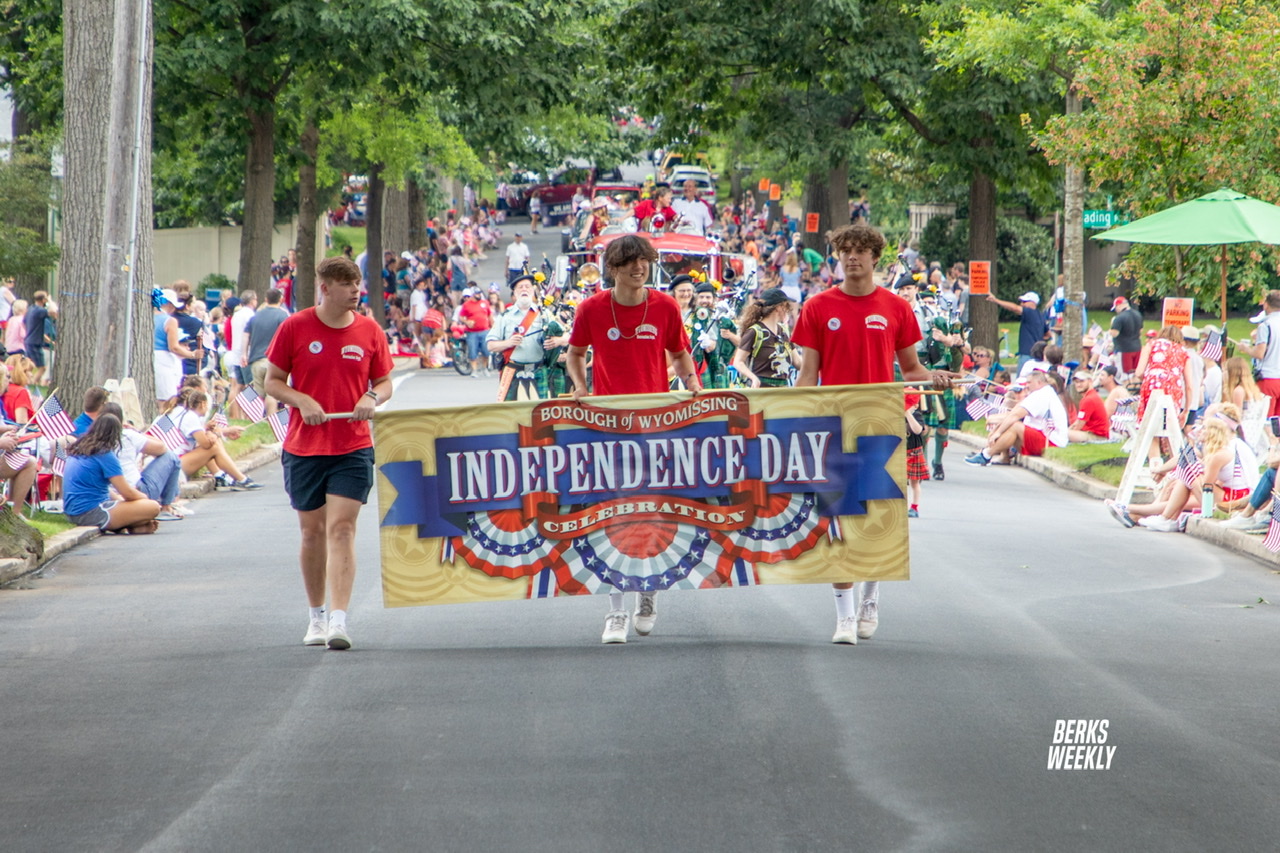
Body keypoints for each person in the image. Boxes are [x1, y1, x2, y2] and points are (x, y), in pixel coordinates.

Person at [791, 223, 955, 645]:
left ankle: (870, 597)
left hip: (881, 426)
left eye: (860, 250)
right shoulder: (817, 306)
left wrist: (934, 377)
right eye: (845, 250)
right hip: (833, 426)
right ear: (837, 256)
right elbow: (807, 376)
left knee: (877, 521)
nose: (852, 256)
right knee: (839, 521)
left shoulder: (896, 308)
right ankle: (844, 616)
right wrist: (793, 418)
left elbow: (911, 369)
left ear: (875, 257)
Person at [566, 234, 699, 645]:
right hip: (607, 429)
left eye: (644, 261)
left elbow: (679, 353)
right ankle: (615, 611)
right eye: (629, 262)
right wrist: (580, 387)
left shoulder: (665, 306)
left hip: (657, 427)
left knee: (652, 513)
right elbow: (575, 353)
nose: (638, 268)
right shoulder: (591, 308)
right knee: (611, 516)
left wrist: (692, 384)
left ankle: (648, 590)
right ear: (613, 268)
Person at [265, 256, 394, 651]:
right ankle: (316, 616)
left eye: (357, 283)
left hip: (352, 445)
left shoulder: (370, 330)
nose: (355, 290)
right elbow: (273, 381)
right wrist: (302, 400)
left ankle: (339, 620)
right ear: (324, 288)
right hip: (304, 446)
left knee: (342, 528)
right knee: (312, 532)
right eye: (346, 284)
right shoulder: (295, 327)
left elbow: (385, 382)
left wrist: (372, 397)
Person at [62, 414, 162, 534]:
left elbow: (106, 490)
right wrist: (144, 499)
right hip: (92, 512)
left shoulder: (78, 449)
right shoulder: (104, 454)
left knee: (136, 507)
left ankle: (131, 526)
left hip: (72, 512)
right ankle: (131, 524)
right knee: (153, 507)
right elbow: (127, 493)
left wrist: (122, 501)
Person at [100, 402, 184, 521]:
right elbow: (162, 448)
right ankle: (166, 506)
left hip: (107, 493)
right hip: (134, 490)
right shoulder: (127, 435)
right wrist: (137, 432)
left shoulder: (93, 439)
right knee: (171, 457)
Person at [965, 369, 1069, 465]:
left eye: (1029, 383)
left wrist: (998, 433)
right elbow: (1013, 412)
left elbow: (1015, 415)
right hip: (1042, 438)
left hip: (1052, 443)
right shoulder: (1040, 393)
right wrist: (996, 430)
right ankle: (1001, 456)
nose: (1027, 386)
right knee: (1008, 424)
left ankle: (986, 455)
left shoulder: (1042, 395)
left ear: (1039, 382)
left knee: (1014, 425)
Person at [487, 274, 549, 400]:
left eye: (527, 286)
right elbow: (490, 345)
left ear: (533, 291)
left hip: (538, 370)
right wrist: (508, 343)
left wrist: (557, 341)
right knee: (511, 411)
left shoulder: (544, 314)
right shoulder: (505, 316)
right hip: (512, 371)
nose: (524, 289)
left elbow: (564, 336)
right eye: (520, 287)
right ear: (515, 293)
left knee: (540, 411)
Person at [734, 288, 799, 387]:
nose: (787, 311)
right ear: (779, 307)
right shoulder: (755, 331)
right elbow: (738, 361)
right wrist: (753, 378)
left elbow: (797, 362)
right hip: (761, 390)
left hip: (782, 390)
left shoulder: (784, 332)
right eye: (786, 306)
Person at [245, 288, 290, 418]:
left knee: (257, 395)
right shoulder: (283, 316)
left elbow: (245, 335)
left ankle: (254, 420)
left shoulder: (255, 316)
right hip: (275, 362)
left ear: (266, 299)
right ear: (281, 300)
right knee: (272, 394)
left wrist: (244, 354)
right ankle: (271, 419)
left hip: (256, 360)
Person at [1236, 290, 1280, 416]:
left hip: (1268, 377)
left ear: (1266, 305)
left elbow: (1259, 353)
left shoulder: (1266, 325)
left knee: (1265, 417)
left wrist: (1246, 348)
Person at [1135, 325, 1192, 421]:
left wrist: (1150, 377)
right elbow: (1189, 386)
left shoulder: (1151, 345)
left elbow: (1139, 373)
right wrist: (1186, 410)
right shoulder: (1183, 352)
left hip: (1152, 386)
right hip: (1172, 389)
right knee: (1168, 423)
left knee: (1149, 422)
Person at [987, 290, 1048, 372]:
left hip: (1027, 354)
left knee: (1022, 377)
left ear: (1033, 303)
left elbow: (1014, 308)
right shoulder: (1040, 316)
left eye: (1024, 302)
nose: (1022, 304)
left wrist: (995, 300)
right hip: (1038, 355)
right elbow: (1048, 334)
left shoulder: (1029, 312)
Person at [458, 287, 493, 376]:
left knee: (486, 351)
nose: (479, 295)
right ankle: (474, 370)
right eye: (477, 294)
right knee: (472, 352)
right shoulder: (466, 305)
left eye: (479, 293)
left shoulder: (485, 303)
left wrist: (492, 326)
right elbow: (461, 317)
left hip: (484, 330)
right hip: (472, 332)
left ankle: (484, 368)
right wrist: (467, 322)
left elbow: (489, 315)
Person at [1067, 371, 1110, 442]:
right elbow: (1078, 421)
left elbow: (1079, 425)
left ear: (1090, 381)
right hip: (1094, 434)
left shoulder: (1089, 399)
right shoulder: (1091, 396)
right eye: (1076, 382)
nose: (1078, 384)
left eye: (1081, 381)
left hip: (1096, 436)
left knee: (1064, 434)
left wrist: (1068, 433)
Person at [22, 291, 54, 386]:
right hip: (35, 343)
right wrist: (50, 300)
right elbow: (53, 312)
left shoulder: (30, 309)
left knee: (29, 366)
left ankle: (25, 382)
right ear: (43, 300)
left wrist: (50, 341)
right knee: (42, 368)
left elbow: (25, 323)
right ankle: (32, 384)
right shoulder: (40, 311)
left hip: (28, 341)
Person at [2, 355, 35, 424]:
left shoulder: (2, 389)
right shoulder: (20, 392)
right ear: (21, 372)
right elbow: (21, 423)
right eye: (29, 371)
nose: (31, 375)